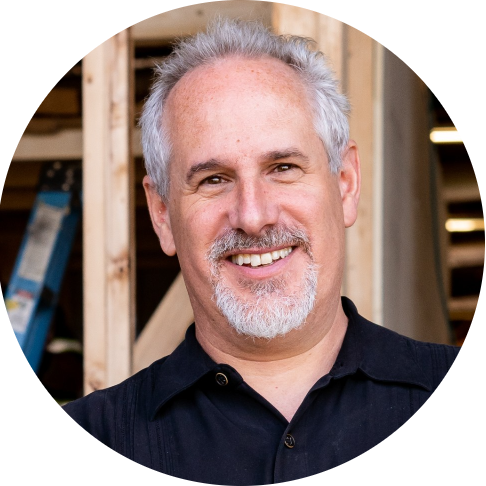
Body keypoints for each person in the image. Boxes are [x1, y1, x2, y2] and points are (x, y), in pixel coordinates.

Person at [63, 18, 459, 482]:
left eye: (283, 167)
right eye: (213, 179)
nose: (253, 216)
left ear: (345, 184)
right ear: (162, 214)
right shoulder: (97, 433)